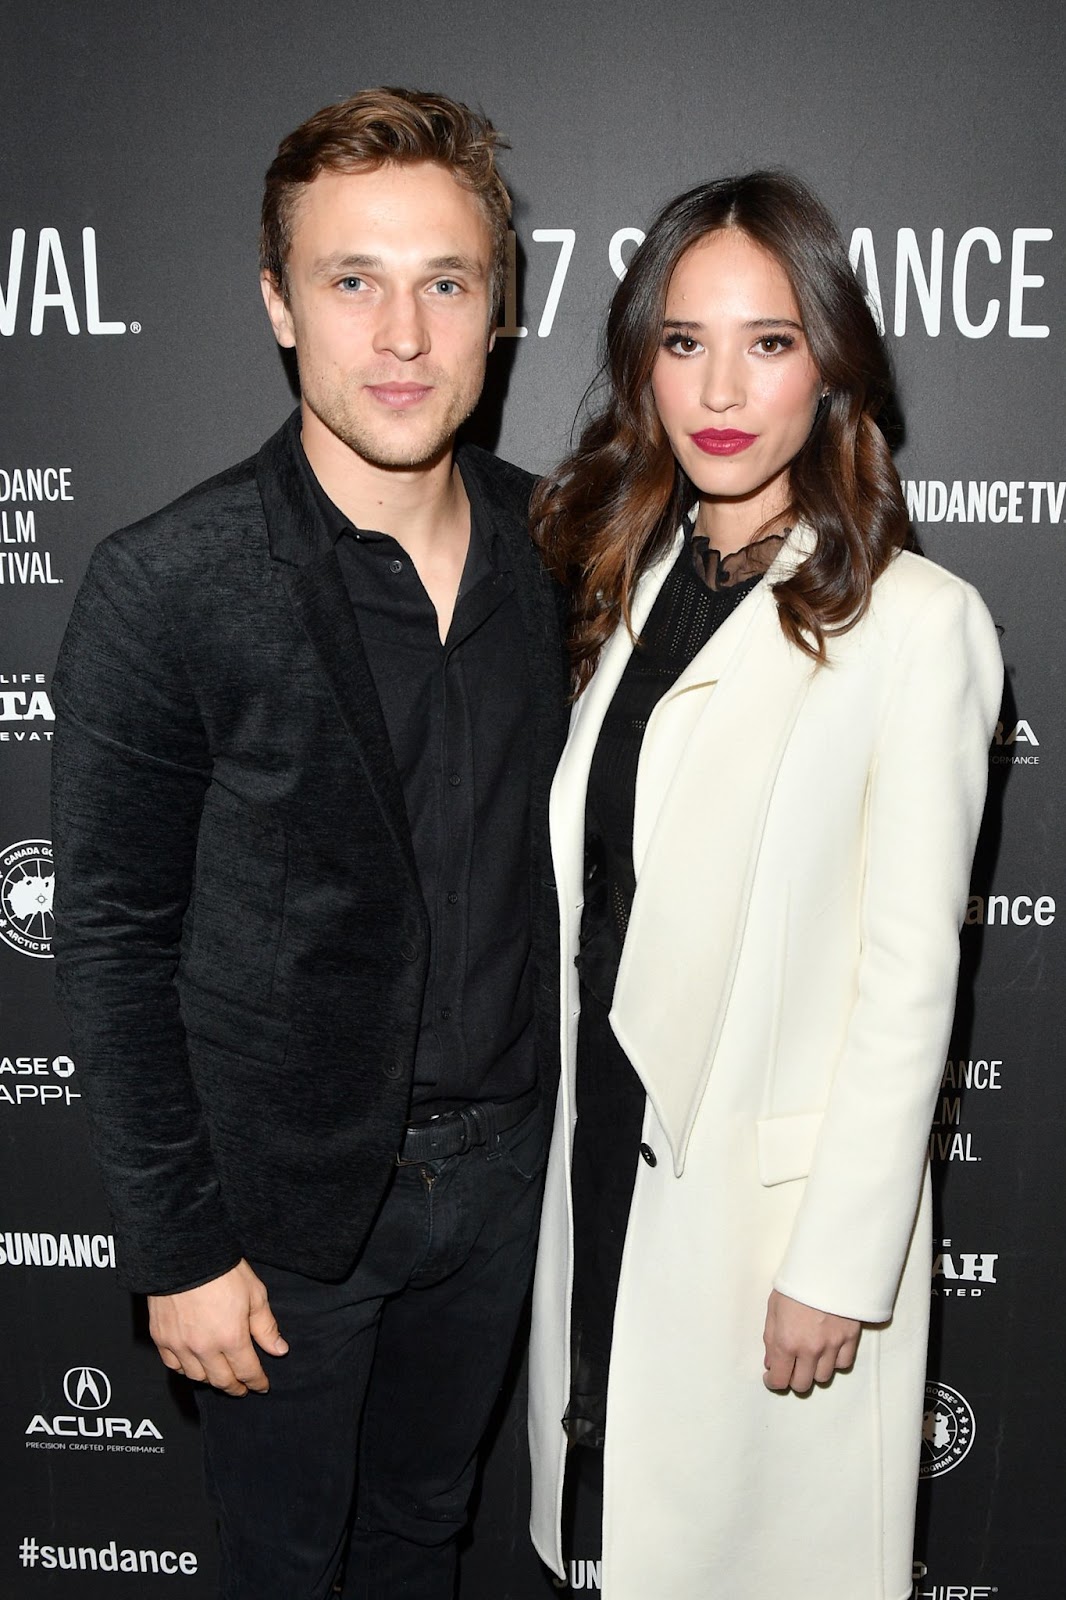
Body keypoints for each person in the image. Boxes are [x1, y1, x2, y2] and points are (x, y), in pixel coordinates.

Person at [50, 87, 568, 1600]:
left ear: (499, 308)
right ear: (280, 305)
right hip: (278, 1225)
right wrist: (177, 1249)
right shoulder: (171, 581)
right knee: (283, 1565)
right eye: (353, 280)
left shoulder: (567, 554)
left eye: (444, 282)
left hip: (506, 1189)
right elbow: (113, 940)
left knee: (427, 1535)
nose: (401, 334)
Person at [526, 172, 1002, 1600]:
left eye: (768, 341)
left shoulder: (917, 628)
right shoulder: (626, 582)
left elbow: (910, 977)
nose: (718, 387)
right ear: (640, 366)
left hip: (767, 1226)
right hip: (603, 1162)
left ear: (832, 367)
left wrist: (840, 1263)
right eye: (682, 342)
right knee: (607, 1545)